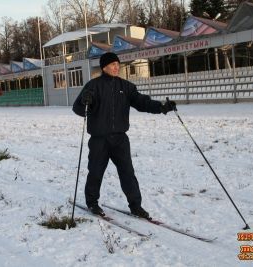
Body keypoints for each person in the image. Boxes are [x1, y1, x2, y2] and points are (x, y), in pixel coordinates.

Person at [73, 52, 176, 219]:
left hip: (120, 139)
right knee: (95, 172)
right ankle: (92, 202)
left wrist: (162, 107)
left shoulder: (126, 87)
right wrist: (85, 101)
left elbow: (142, 103)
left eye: (117, 64)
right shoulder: (93, 86)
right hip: (99, 139)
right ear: (104, 67)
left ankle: (136, 206)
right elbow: (78, 109)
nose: (116, 67)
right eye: (113, 64)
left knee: (127, 173)